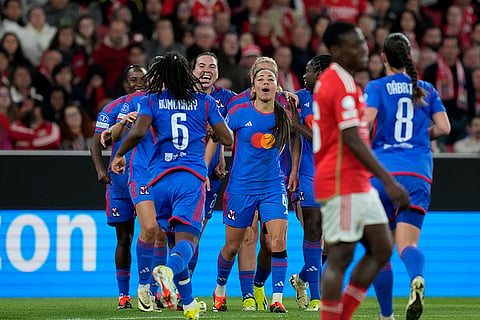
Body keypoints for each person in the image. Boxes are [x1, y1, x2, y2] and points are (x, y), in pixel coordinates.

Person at [111, 52, 233, 320]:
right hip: (190, 178)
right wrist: (213, 130)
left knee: (166, 238)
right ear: (186, 75)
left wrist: (119, 155)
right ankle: (166, 271)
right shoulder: (205, 101)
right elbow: (227, 138)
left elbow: (140, 131)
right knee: (188, 240)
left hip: (158, 181)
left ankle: (187, 303)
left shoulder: (150, 101)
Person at [312, 21, 410, 320]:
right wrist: (388, 181)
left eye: (363, 42)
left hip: (356, 182)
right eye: (355, 44)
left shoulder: (346, 82)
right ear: (338, 50)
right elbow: (352, 138)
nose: (364, 48)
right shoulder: (338, 83)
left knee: (382, 248)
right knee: (340, 257)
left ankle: (341, 315)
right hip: (340, 181)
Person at [365, 33, 451, 320]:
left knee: (380, 251)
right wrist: (418, 138)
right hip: (418, 174)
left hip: (385, 173)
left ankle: (386, 316)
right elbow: (445, 128)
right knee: (407, 245)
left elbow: (364, 124)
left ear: (384, 58)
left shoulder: (376, 87)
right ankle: (416, 277)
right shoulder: (426, 89)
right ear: (410, 57)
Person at [213, 66, 293, 314]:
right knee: (232, 246)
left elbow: (296, 139)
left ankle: (277, 298)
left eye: (271, 78)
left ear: (276, 86)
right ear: (254, 86)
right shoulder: (238, 111)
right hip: (241, 187)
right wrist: (211, 164)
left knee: (277, 240)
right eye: (261, 78)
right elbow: (217, 137)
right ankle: (220, 289)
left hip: (272, 185)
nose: (266, 82)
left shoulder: (284, 114)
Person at [89, 64, 146, 309]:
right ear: (126, 84)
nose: (139, 83)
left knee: (153, 234)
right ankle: (124, 295)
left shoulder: (153, 104)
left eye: (143, 79)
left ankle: (152, 290)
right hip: (120, 180)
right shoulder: (113, 108)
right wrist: (101, 169)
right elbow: (96, 141)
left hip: (146, 179)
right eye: (133, 79)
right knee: (124, 238)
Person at [289, 55, 331, 312]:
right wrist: (293, 169)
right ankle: (317, 296)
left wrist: (297, 123)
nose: (304, 76)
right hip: (307, 174)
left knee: (333, 246)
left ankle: (302, 279)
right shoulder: (301, 97)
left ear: (322, 73)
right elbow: (297, 139)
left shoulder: (337, 101)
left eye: (308, 71)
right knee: (313, 229)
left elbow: (322, 140)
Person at [190, 52, 236, 276]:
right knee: (169, 232)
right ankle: (154, 285)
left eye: (211, 67)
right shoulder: (180, 95)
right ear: (192, 70)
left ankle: (181, 287)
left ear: (217, 73)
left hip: (211, 176)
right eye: (201, 66)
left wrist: (283, 94)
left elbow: (255, 100)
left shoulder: (226, 98)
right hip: (180, 172)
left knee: (195, 232)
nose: (206, 70)